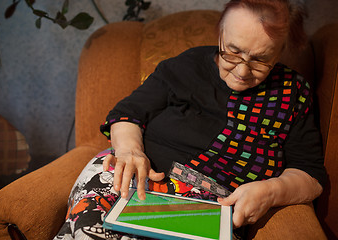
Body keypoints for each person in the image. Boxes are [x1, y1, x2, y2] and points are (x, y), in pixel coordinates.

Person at [54, 0, 326, 239]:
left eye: (260, 60)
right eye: (232, 52)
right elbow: (127, 113)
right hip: (133, 177)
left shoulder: (294, 92)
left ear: (279, 52)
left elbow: (310, 174)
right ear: (220, 35)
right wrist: (130, 150)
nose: (242, 71)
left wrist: (272, 191)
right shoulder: (187, 65)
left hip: (210, 208)